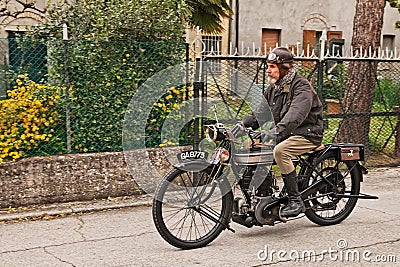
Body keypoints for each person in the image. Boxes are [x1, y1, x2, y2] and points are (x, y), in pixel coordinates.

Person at [241, 46, 324, 217]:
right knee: (249, 145)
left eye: (272, 67)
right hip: (286, 133)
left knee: (280, 151)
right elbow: (261, 113)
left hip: (307, 133)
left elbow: (295, 116)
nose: (268, 71)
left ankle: (295, 201)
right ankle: (259, 192)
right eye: (268, 66)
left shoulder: (302, 86)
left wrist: (274, 134)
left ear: (284, 68)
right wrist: (242, 125)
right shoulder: (275, 88)